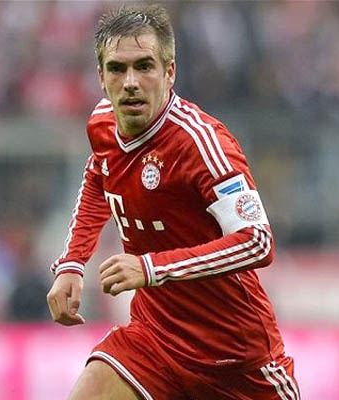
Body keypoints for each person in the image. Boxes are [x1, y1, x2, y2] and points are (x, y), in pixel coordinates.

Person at [46, 4, 300, 400]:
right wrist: (72, 263)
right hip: (154, 342)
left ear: (170, 72)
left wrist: (150, 268)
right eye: (117, 69)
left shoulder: (202, 144)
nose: (130, 82)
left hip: (234, 360)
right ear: (101, 77)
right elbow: (99, 175)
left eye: (144, 66)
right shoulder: (102, 124)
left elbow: (258, 241)